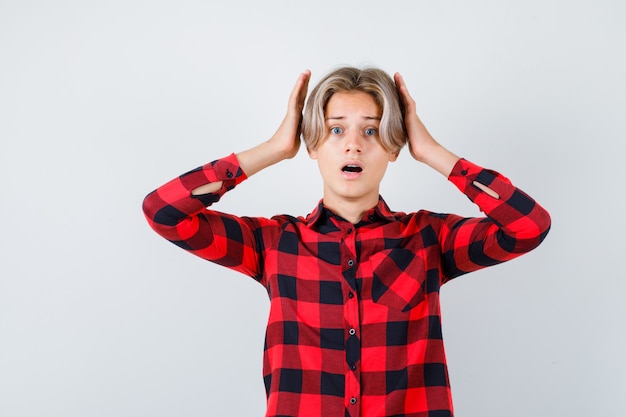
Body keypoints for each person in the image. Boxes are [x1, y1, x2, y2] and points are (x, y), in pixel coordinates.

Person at [142, 66, 551, 417]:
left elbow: (529, 226)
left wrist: (431, 152)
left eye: (371, 130)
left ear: (394, 146)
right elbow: (164, 211)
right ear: (314, 145)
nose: (353, 143)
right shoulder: (274, 244)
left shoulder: (429, 239)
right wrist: (274, 148)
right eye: (336, 129)